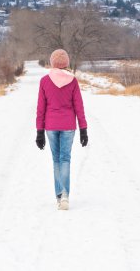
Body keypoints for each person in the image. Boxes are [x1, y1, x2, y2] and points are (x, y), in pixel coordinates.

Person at [36, 49, 88, 210]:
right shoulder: (72, 81)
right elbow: (79, 107)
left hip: (51, 126)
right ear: (66, 62)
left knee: (56, 160)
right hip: (68, 126)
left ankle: (59, 196)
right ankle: (65, 195)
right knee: (65, 159)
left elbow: (41, 108)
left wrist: (39, 131)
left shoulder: (44, 81)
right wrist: (83, 129)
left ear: (52, 62)